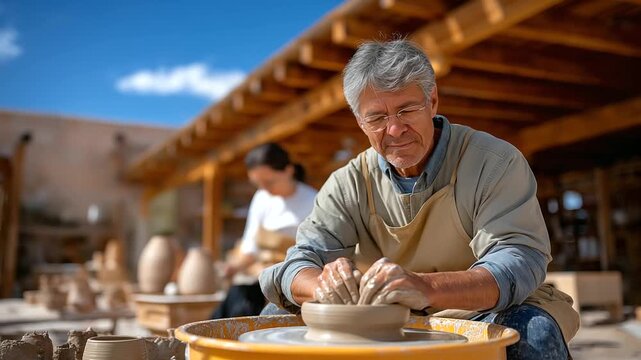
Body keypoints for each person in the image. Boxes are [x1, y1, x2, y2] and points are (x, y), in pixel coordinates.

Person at [259, 39, 579, 359]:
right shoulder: (348, 183)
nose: (395, 129)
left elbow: (517, 262)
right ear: (360, 122)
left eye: (407, 110)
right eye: (377, 118)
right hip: (388, 317)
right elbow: (298, 263)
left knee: (534, 330)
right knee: (275, 319)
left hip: (479, 311)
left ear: (433, 102)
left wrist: (426, 287)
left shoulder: (493, 162)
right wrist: (324, 286)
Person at [211, 143, 317, 319]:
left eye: (269, 182)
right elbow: (250, 247)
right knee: (236, 303)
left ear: (289, 171)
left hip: (294, 278)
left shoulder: (313, 200)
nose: (264, 188)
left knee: (263, 314)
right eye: (257, 183)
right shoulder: (262, 197)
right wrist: (232, 268)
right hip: (261, 275)